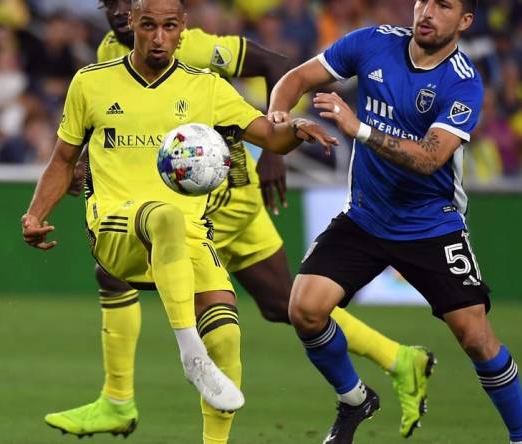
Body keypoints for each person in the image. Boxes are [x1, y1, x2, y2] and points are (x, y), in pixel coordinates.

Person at [49, 0, 438, 441]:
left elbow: (275, 64)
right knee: (281, 304)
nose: (122, 11)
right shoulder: (108, 54)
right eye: (115, 3)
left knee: (123, 265)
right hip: (207, 192)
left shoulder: (191, 47)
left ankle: (119, 400)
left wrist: (273, 151)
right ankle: (399, 358)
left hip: (218, 195)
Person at [21, 0, 337, 442]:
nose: (158, 37)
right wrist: (36, 213)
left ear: (183, 28)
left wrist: (296, 129)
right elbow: (63, 159)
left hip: (188, 235)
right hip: (115, 227)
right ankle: (190, 351)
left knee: (226, 333)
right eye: (148, 25)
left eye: (169, 26)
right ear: (133, 23)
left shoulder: (206, 88)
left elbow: (269, 136)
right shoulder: (91, 82)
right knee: (163, 215)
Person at [269, 1, 522, 443]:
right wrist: (278, 114)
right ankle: (355, 399)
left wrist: (360, 130)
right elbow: (295, 79)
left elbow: (432, 158)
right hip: (365, 218)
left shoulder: (463, 83)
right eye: (423, 1)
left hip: (432, 225)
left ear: (464, 22)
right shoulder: (372, 43)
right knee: (304, 309)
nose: (428, 11)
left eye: (444, 5)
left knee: (476, 338)